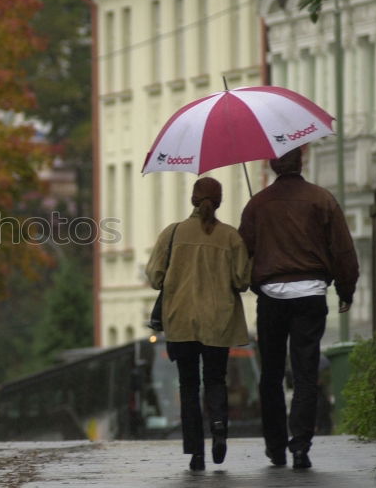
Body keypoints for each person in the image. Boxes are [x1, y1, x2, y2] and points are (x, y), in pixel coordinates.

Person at [238, 147, 359, 470]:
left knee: (272, 374)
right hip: (311, 293)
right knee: (306, 372)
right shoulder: (322, 200)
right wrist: (346, 289)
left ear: (271, 165)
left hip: (272, 297)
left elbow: (240, 255)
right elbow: (343, 250)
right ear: (301, 162)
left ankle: (275, 447)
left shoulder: (257, 204)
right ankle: (301, 446)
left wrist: (253, 282)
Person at [146, 177, 251, 471]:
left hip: (180, 322)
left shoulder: (173, 233)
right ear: (219, 202)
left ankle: (196, 451)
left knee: (188, 384)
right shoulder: (231, 237)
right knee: (216, 380)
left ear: (193, 200)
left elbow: (155, 278)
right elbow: (243, 281)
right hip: (219, 322)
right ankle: (218, 428)